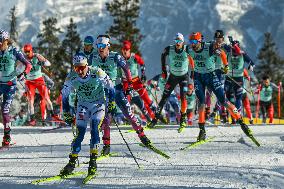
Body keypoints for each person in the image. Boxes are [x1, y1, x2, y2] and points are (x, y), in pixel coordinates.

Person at [187, 31, 254, 142]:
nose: (192, 44)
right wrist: (193, 69)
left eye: (194, 41)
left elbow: (222, 54)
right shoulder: (189, 49)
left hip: (211, 76)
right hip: (198, 77)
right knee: (201, 103)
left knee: (224, 101)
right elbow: (189, 57)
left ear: (199, 41)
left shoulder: (209, 47)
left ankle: (241, 122)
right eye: (191, 41)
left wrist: (226, 66)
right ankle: (202, 131)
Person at [92, 35, 152, 155]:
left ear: (107, 46)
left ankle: (143, 136)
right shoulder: (94, 58)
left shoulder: (116, 56)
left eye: (103, 46)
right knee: (106, 119)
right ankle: (107, 146)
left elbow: (126, 69)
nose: (100, 48)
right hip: (103, 92)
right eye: (98, 46)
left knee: (129, 115)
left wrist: (129, 85)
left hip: (117, 90)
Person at [60, 54, 114, 177]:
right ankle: (72, 162)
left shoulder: (97, 72)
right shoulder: (71, 77)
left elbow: (111, 86)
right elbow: (64, 95)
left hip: (98, 104)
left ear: (87, 66)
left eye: (82, 68)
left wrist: (112, 102)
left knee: (94, 127)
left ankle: (93, 161)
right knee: (80, 133)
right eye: (76, 68)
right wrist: (67, 112)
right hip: (83, 105)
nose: (79, 71)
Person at [147, 33, 194, 131]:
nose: (178, 43)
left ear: (183, 41)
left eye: (180, 41)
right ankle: (154, 120)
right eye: (176, 41)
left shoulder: (186, 49)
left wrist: (193, 70)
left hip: (184, 76)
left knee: (183, 97)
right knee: (164, 98)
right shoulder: (170, 49)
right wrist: (164, 70)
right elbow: (163, 56)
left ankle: (183, 120)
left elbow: (192, 59)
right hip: (172, 77)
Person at [0, 30, 32, 146]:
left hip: (9, 85)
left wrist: (24, 73)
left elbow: (28, 64)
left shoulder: (14, 51)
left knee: (4, 110)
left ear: (6, 41)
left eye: (0, 41)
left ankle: (7, 136)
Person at [62, 36, 96, 127]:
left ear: (92, 45)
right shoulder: (80, 53)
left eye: (89, 45)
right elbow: (75, 65)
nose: (87, 46)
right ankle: (76, 117)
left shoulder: (96, 53)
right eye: (85, 44)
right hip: (81, 77)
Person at [23, 43, 59, 125]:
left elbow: (48, 64)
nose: (27, 54)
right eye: (25, 52)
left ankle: (53, 115)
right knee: (30, 101)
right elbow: (18, 68)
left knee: (46, 99)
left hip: (39, 80)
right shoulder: (24, 58)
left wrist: (44, 62)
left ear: (31, 50)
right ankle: (32, 119)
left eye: (28, 51)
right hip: (29, 82)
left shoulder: (37, 56)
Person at [121, 40, 156, 119]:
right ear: (122, 50)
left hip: (136, 80)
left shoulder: (134, 57)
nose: (125, 51)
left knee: (145, 97)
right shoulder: (120, 58)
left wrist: (143, 74)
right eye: (124, 50)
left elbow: (142, 63)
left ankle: (156, 112)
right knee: (127, 99)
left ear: (129, 50)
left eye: (127, 50)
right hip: (126, 81)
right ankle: (129, 117)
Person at [224, 40, 255, 124]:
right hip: (229, 77)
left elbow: (251, 62)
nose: (234, 53)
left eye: (236, 51)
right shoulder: (229, 50)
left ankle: (238, 116)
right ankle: (226, 114)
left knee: (238, 98)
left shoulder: (242, 54)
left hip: (238, 78)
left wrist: (251, 65)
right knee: (223, 94)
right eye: (233, 50)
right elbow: (222, 46)